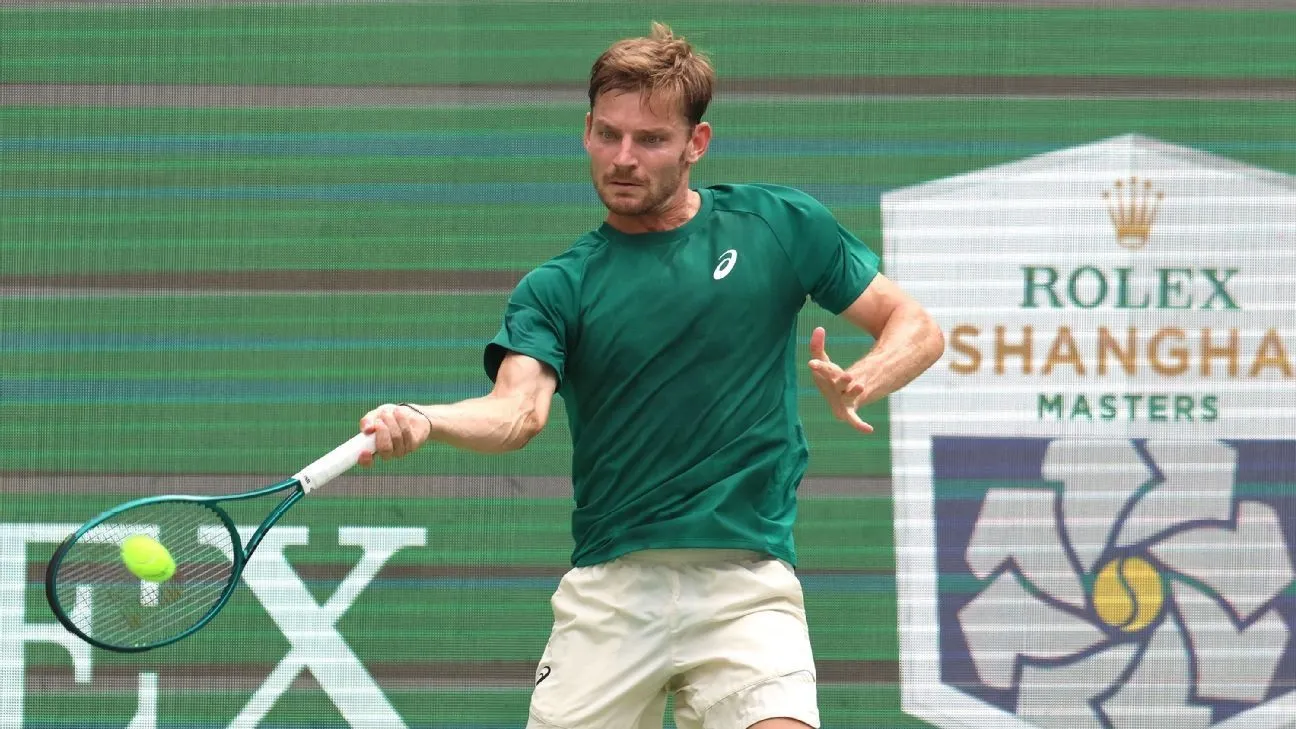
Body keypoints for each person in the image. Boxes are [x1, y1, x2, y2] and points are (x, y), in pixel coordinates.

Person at [358, 22, 945, 729]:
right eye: (608, 135)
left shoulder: (778, 225)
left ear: (697, 143)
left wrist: (865, 377)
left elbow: (915, 325)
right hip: (612, 592)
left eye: (651, 139)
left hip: (746, 585)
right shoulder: (558, 287)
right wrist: (426, 419)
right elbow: (517, 411)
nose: (624, 158)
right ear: (586, 131)